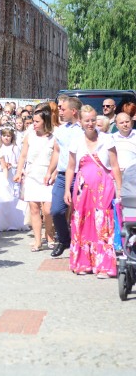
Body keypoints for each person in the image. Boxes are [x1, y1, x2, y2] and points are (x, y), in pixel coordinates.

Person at [65, 105, 122, 278]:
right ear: (80, 122)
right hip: (82, 188)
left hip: (103, 186)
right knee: (81, 221)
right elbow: (70, 167)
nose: (90, 123)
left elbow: (114, 165)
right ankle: (83, 262)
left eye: (92, 120)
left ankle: (104, 265)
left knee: (103, 223)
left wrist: (119, 189)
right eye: (86, 120)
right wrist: (67, 189)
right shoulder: (76, 141)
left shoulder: (107, 139)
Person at [45, 96, 82, 258]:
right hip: (61, 175)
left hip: (81, 175)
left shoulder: (84, 129)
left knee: (81, 212)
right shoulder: (60, 130)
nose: (60, 111)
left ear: (73, 111)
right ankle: (64, 239)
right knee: (57, 210)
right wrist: (49, 171)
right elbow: (57, 152)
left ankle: (81, 244)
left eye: (63, 109)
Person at [14, 109, 55, 252]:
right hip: (32, 174)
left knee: (48, 209)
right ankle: (38, 240)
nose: (34, 124)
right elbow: (23, 156)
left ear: (46, 122)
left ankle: (49, 234)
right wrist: (19, 172)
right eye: (34, 121)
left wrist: (54, 173)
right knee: (34, 208)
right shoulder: (29, 136)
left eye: (37, 121)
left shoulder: (53, 138)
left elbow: (58, 157)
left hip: (47, 175)